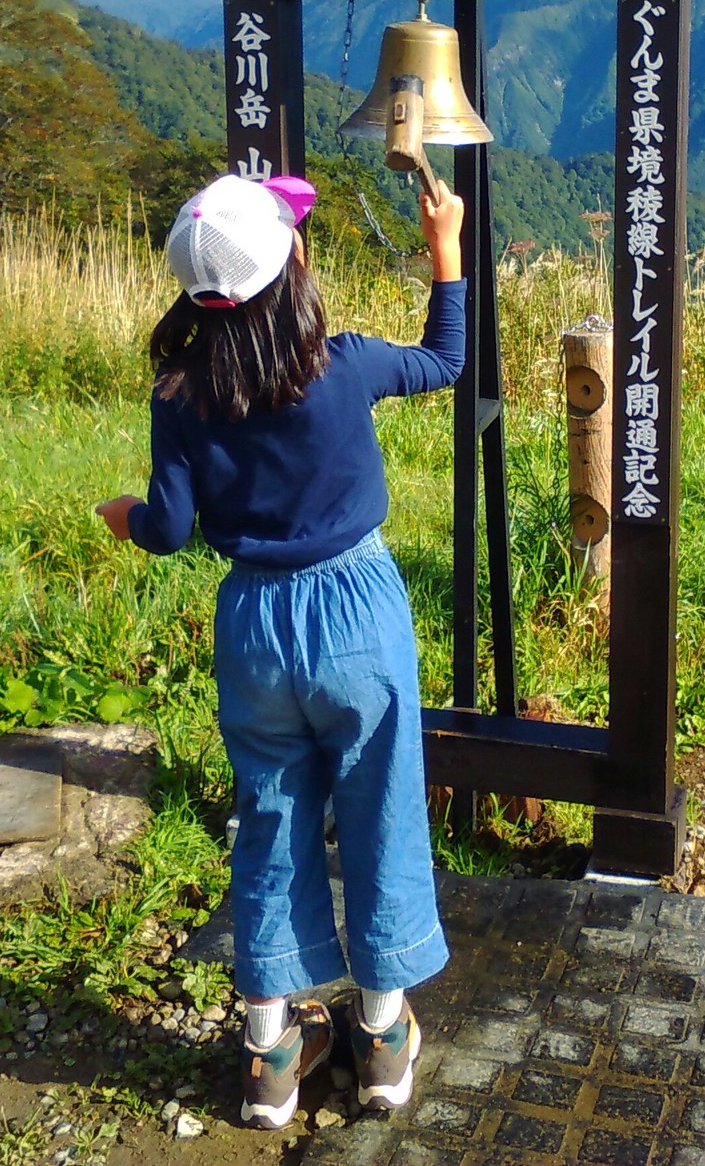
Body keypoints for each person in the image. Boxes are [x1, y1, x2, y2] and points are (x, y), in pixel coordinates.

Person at [95, 169, 465, 1131]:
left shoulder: (179, 393)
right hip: (358, 615)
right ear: (296, 262)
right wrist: (444, 247)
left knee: (268, 819)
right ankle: (380, 1043)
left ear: (195, 296)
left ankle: (269, 1057)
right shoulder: (342, 365)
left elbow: (172, 527)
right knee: (380, 808)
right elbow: (445, 358)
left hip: (254, 626)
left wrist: (128, 519)